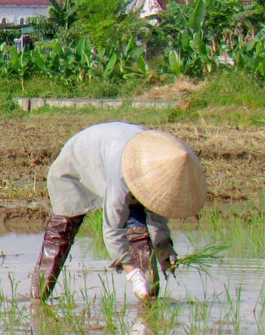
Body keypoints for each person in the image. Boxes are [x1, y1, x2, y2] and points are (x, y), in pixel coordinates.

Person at [31, 122, 207, 302]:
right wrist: (132, 274)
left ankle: (149, 300)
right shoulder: (122, 175)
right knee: (61, 233)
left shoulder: (158, 167)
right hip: (80, 160)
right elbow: (112, 229)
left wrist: (163, 247)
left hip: (118, 150)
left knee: (140, 234)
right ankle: (38, 298)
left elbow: (156, 215)